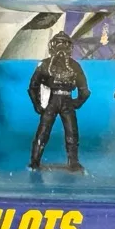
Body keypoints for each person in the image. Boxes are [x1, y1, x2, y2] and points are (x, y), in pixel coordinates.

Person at [28, 32, 90, 171]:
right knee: (48, 131)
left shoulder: (69, 66)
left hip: (60, 101)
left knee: (67, 132)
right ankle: (36, 161)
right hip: (54, 100)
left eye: (64, 43)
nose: (61, 47)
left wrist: (77, 103)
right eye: (59, 43)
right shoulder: (48, 65)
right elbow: (33, 86)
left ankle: (39, 162)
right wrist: (37, 104)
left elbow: (84, 90)